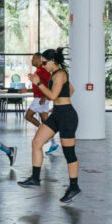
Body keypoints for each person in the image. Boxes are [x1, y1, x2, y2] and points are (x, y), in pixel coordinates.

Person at [19, 48, 81, 203]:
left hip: (67, 116)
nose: (44, 65)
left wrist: (38, 82)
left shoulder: (60, 74)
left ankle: (74, 187)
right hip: (58, 113)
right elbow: (71, 90)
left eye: (45, 63)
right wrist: (60, 102)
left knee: (69, 153)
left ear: (53, 61)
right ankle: (35, 178)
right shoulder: (57, 75)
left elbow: (52, 95)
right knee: (36, 142)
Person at [22, 53, 58, 155]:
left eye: (33, 58)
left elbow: (51, 84)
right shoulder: (38, 71)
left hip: (40, 99)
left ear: (38, 59)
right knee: (46, 122)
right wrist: (27, 90)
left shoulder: (43, 70)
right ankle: (54, 143)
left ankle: (44, 134)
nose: (31, 60)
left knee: (28, 116)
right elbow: (39, 86)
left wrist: (45, 97)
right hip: (41, 99)